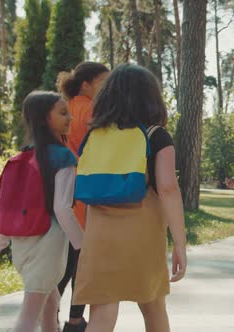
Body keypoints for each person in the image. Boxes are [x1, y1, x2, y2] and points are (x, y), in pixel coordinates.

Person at [73, 64, 187, 332]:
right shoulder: (156, 135)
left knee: (102, 315)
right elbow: (169, 189)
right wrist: (180, 243)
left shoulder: (96, 135)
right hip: (142, 232)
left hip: (100, 233)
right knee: (154, 308)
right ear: (151, 97)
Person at [0, 91, 84, 332]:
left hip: (22, 247)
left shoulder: (20, 157)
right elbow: (62, 209)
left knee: (50, 302)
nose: (70, 119)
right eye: (63, 113)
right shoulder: (63, 157)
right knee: (28, 317)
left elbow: (8, 209)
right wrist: (84, 246)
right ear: (45, 119)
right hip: (49, 244)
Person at [56, 61, 109, 332]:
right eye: (102, 82)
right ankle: (75, 320)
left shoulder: (66, 108)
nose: (106, 88)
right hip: (84, 195)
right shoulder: (91, 110)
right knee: (80, 264)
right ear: (86, 84)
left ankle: (49, 314)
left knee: (65, 263)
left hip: (64, 194)